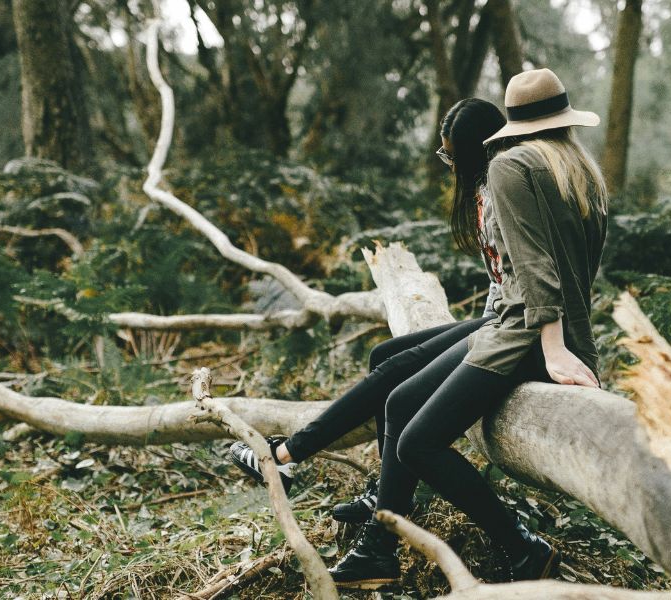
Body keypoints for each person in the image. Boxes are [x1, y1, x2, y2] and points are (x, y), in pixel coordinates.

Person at [328, 67, 608, 590]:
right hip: (552, 335)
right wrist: (569, 344)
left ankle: (521, 546)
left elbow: (536, 269)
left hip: (527, 338)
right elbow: (575, 275)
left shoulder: (511, 167)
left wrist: (553, 350)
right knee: (399, 401)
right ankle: (381, 544)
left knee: (417, 442)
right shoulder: (579, 168)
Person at [227, 98, 508, 525]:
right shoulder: (488, 190)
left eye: (450, 155)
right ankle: (383, 489)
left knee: (400, 381)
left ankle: (286, 454)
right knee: (383, 355)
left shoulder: (505, 193)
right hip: (495, 317)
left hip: (505, 328)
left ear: (472, 152)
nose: (447, 163)